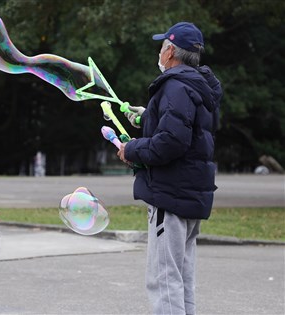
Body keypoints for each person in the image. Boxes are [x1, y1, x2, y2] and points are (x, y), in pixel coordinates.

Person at [117, 22, 222, 315]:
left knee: (163, 279)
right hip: (190, 194)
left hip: (170, 195)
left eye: (162, 45)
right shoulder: (197, 86)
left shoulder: (175, 86)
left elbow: (171, 142)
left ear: (171, 51)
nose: (159, 51)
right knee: (180, 278)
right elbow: (185, 128)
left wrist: (131, 149)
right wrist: (147, 114)